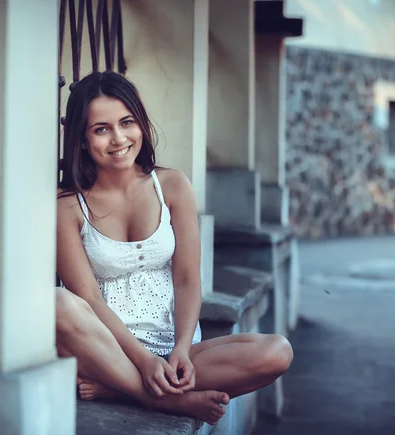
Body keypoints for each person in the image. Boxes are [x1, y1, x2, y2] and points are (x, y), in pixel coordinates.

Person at [55, 71, 293, 425]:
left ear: (141, 124)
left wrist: (180, 348)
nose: (118, 138)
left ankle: (117, 390)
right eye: (101, 129)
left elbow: (186, 279)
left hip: (175, 352)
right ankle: (160, 400)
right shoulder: (68, 206)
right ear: (82, 140)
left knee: (277, 351)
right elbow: (87, 297)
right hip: (106, 349)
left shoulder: (172, 186)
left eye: (127, 122)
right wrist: (142, 360)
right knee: (57, 305)